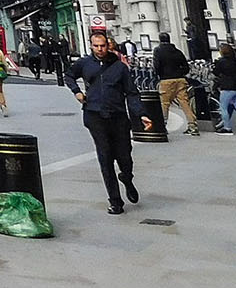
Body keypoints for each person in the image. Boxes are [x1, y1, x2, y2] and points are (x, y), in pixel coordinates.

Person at [65, 31, 154, 214]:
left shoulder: (120, 67)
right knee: (105, 158)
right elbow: (69, 75)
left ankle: (127, 178)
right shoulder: (84, 63)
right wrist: (76, 91)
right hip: (94, 115)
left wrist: (141, 113)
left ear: (109, 45)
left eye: (103, 45)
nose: (100, 49)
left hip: (118, 116)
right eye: (96, 46)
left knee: (125, 156)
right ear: (91, 46)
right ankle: (115, 201)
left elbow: (131, 92)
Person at [151, 33, 197, 137]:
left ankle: (163, 126)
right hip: (180, 79)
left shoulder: (158, 51)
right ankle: (192, 125)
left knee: (165, 103)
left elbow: (156, 65)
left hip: (166, 80)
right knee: (184, 102)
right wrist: (180, 73)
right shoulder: (177, 51)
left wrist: (159, 75)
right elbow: (186, 67)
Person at [213, 43, 236, 134]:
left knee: (223, 108)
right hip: (235, 86)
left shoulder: (221, 62)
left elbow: (216, 72)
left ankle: (227, 128)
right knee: (233, 105)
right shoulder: (234, 60)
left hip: (226, 87)